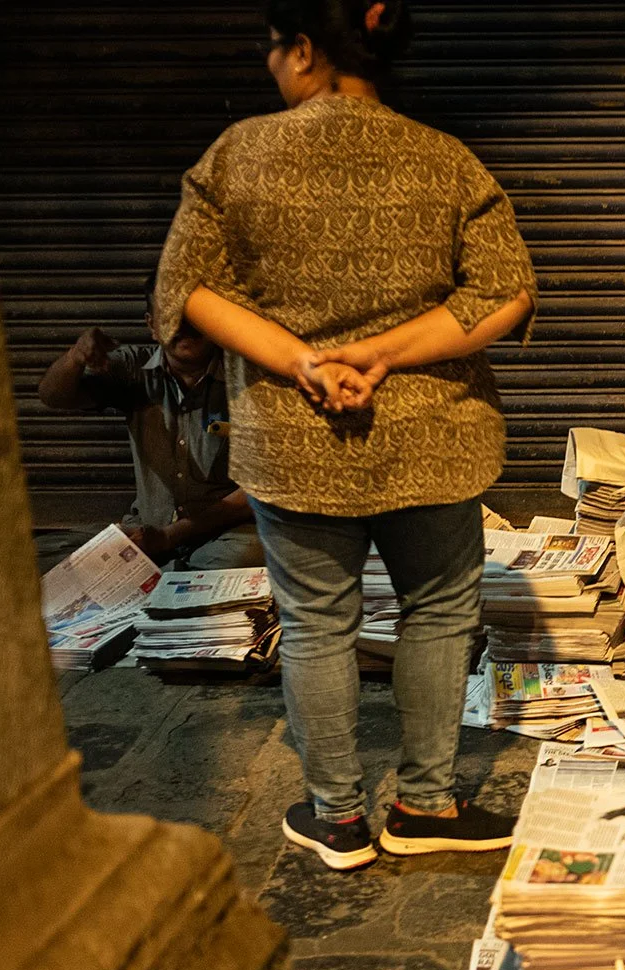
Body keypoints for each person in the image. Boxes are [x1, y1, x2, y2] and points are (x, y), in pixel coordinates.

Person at [153, 0, 536, 871]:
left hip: (293, 443)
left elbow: (183, 290)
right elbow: (507, 292)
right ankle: (426, 804)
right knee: (438, 614)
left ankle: (339, 820)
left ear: (303, 52)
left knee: (318, 624)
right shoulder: (446, 158)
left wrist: (307, 364)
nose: (269, 67)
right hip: (433, 436)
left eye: (272, 50)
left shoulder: (237, 154)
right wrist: (384, 354)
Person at [36, 277, 263, 569]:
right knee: (38, 554)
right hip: (144, 531)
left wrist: (171, 536)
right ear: (152, 326)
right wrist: (75, 357)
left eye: (193, 317)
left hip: (220, 535)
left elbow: (256, 490)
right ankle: (165, 577)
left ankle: (158, 578)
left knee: (252, 552)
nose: (183, 328)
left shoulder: (249, 378)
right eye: (169, 317)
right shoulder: (133, 367)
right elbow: (53, 396)